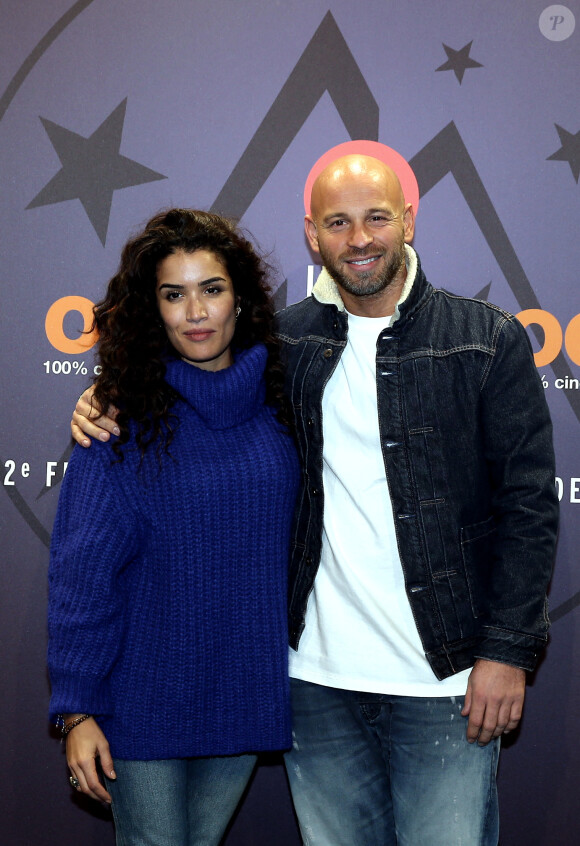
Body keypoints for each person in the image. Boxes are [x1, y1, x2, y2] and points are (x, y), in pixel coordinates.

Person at [71, 155, 559, 846]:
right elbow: (182, 373)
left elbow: (530, 509)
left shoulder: (484, 339)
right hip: (313, 685)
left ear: (408, 220)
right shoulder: (284, 345)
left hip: (446, 682)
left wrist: (507, 652)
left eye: (376, 217)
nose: (359, 238)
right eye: (338, 222)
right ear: (312, 235)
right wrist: (103, 394)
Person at [49, 208, 300, 846]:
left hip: (244, 689)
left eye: (211, 289)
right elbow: (83, 576)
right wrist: (77, 710)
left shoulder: (284, 401)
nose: (195, 311)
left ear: (239, 299)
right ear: (152, 308)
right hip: (141, 701)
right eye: (173, 293)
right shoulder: (119, 418)